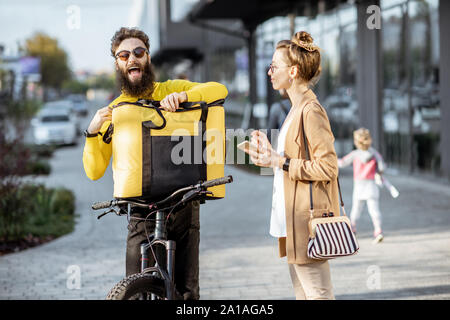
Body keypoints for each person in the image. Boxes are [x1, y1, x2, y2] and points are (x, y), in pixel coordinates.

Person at [82, 27, 228, 300]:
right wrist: (92, 133)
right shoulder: (114, 112)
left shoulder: (169, 88)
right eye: (124, 55)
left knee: (187, 295)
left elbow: (220, 89)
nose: (132, 59)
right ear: (117, 63)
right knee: (133, 291)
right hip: (140, 211)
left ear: (148, 57)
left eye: (139, 52)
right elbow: (93, 172)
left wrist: (185, 97)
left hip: (183, 203)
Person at [247, 31, 338, 300]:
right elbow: (293, 159)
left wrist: (281, 161)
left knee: (318, 295)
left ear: (294, 71)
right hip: (293, 222)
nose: (269, 71)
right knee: (304, 296)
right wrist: (271, 153)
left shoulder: (311, 110)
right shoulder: (295, 108)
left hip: (308, 222)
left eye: (274, 66)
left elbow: (328, 167)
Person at [338, 128, 390, 244]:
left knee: (356, 210)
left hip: (359, 186)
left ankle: (352, 230)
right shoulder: (374, 153)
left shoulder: (355, 154)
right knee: (374, 210)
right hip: (371, 185)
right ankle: (378, 231)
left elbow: (342, 163)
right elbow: (382, 168)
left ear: (356, 141)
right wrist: (377, 172)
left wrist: (330, 159)